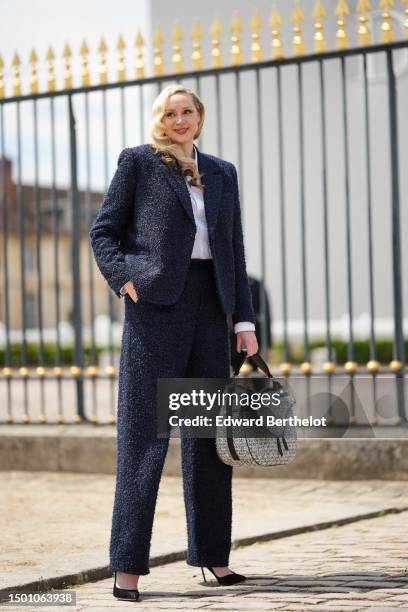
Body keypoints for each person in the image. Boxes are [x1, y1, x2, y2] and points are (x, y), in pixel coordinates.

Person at [89, 84, 259, 602]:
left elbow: (233, 248)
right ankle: (127, 569)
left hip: (212, 308)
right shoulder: (139, 162)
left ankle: (213, 556)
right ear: (159, 118)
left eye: (188, 111)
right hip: (155, 311)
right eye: (170, 112)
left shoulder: (223, 172)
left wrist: (243, 321)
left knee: (208, 441)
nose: (179, 119)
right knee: (144, 439)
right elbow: (103, 232)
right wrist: (124, 278)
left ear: (199, 117)